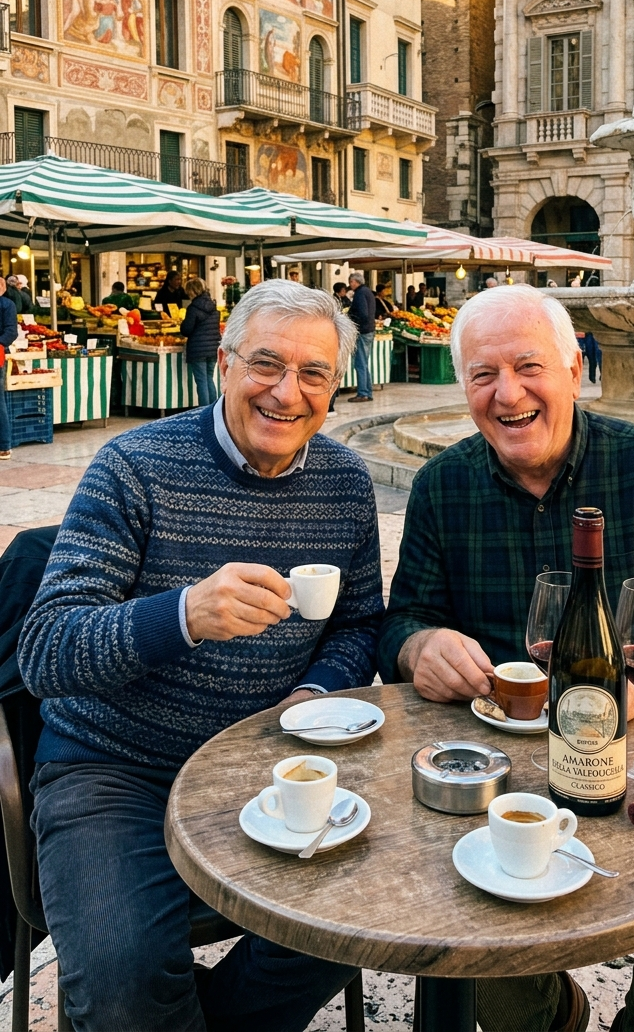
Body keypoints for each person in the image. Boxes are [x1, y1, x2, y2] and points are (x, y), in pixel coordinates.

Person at [378, 284, 634, 1032]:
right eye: (483, 374)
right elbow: (403, 621)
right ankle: (554, 1017)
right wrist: (419, 646)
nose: (508, 393)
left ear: (573, 369)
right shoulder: (441, 485)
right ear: (464, 388)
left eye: (529, 366)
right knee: (476, 944)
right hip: (498, 744)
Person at [18, 281, 384, 1032]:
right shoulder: (133, 465)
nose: (287, 393)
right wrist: (181, 615)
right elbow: (47, 649)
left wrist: (317, 690)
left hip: (265, 767)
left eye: (314, 373)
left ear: (336, 385)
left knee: (359, 917)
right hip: (114, 768)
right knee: (127, 979)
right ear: (222, 364)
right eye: (267, 365)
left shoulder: (345, 482)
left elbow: (359, 625)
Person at [181, 276, 221, 407]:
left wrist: (182, 325)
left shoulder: (193, 308)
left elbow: (187, 329)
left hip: (198, 349)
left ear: (192, 291)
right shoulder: (213, 306)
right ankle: (214, 408)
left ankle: (204, 410)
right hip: (213, 347)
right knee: (209, 378)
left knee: (201, 380)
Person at [347, 271, 376, 403]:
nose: (350, 284)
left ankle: (363, 393)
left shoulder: (360, 293)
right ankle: (367, 392)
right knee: (364, 363)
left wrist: (352, 320)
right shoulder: (368, 292)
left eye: (351, 282)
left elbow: (363, 313)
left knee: (360, 363)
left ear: (355, 281)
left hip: (362, 331)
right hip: (369, 329)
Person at [0, 277, 18, 460]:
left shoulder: (7, 305)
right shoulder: (8, 304)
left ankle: (4, 446)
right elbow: (11, 331)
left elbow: (11, 332)